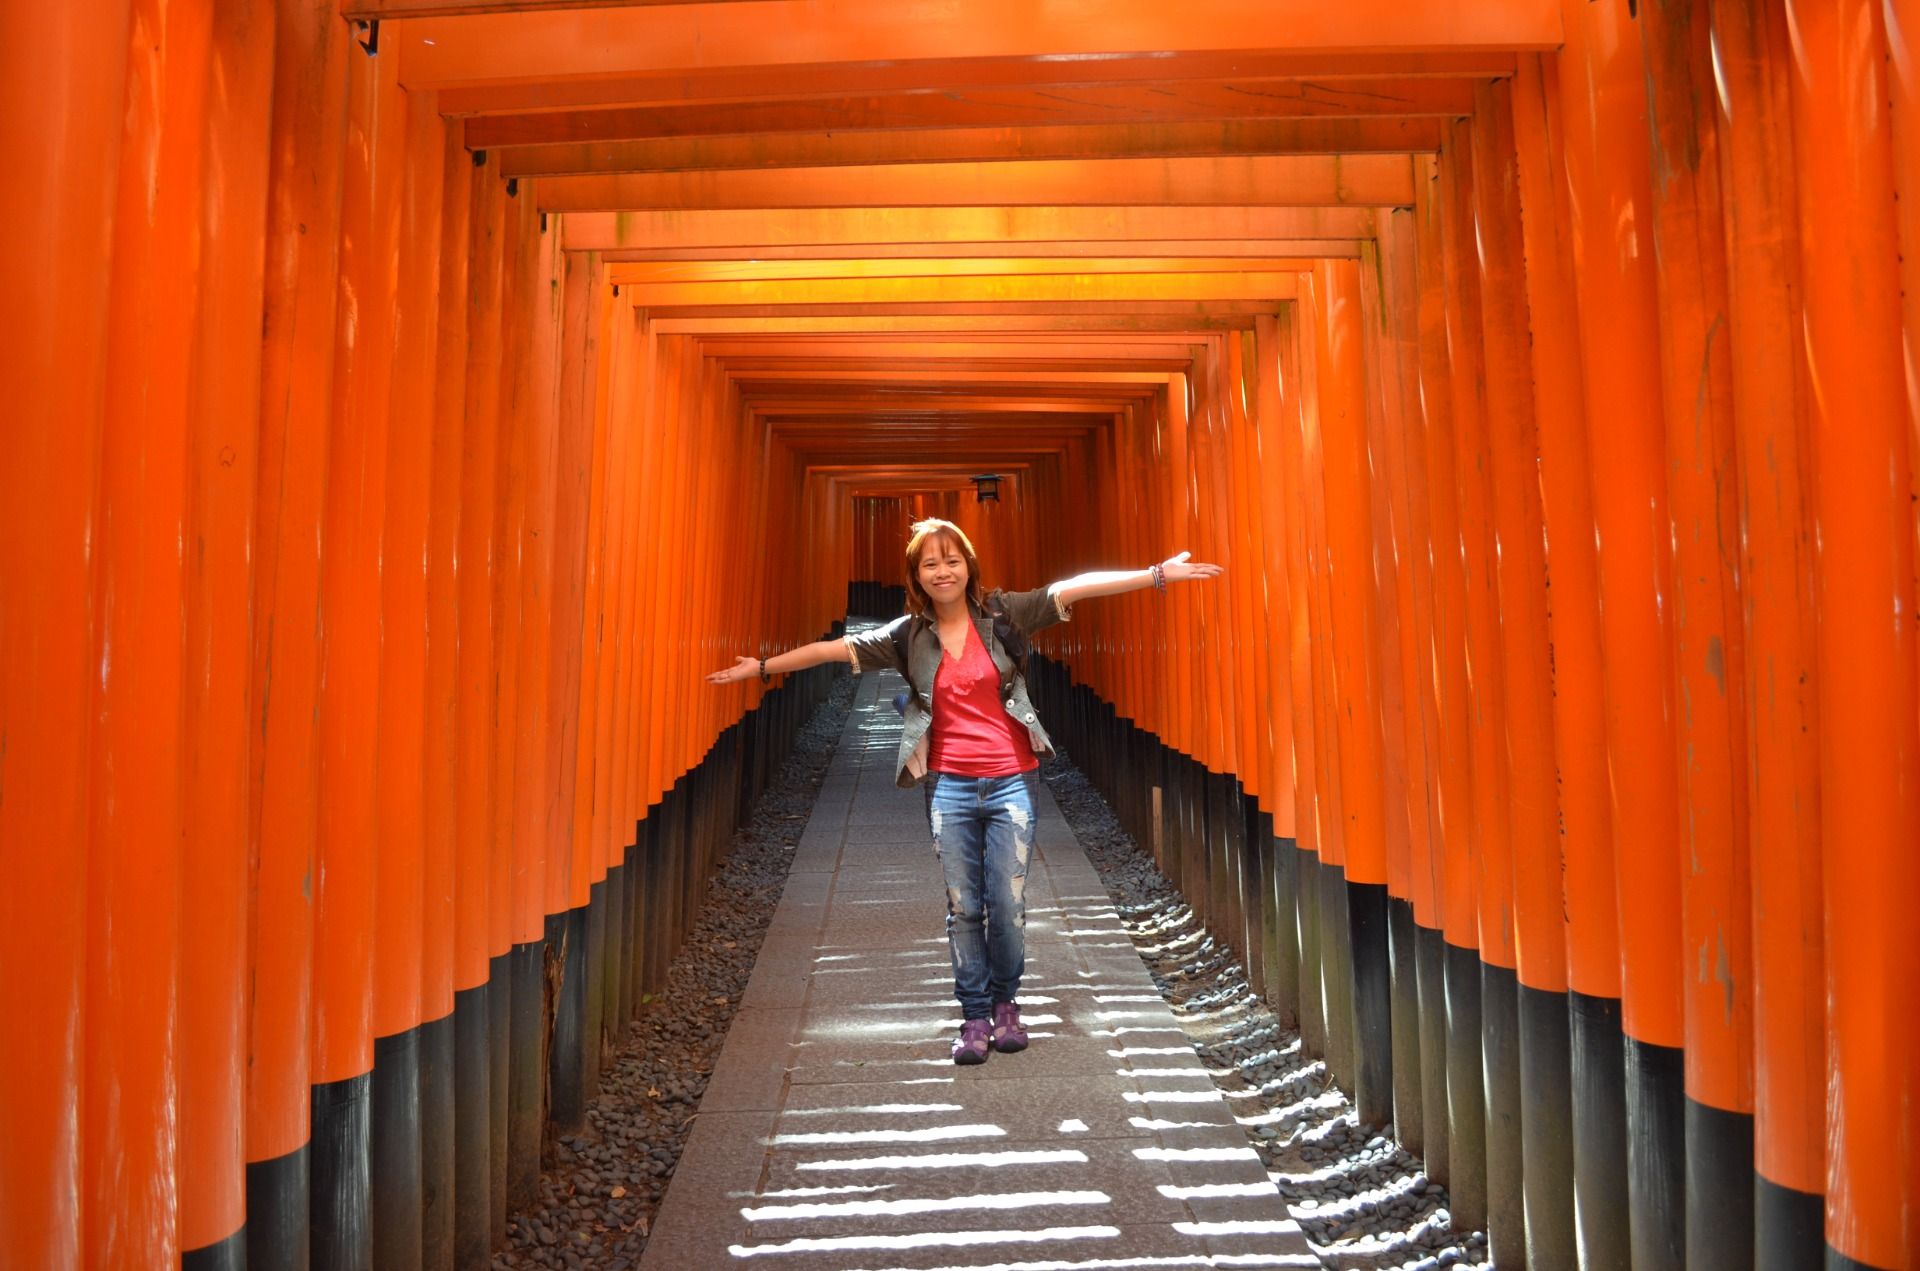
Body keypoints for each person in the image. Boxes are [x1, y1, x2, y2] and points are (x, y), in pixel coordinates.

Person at [708, 518, 1222, 1064]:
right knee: (964, 905)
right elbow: (832, 650)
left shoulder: (1004, 614)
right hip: (949, 785)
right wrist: (761, 667)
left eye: (951, 560)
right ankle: (974, 1015)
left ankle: (1006, 1006)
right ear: (916, 576)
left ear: (968, 566)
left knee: (1007, 903)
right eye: (930, 563)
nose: (943, 571)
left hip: (1012, 779)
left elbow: (1072, 588)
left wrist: (1155, 574)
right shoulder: (906, 636)